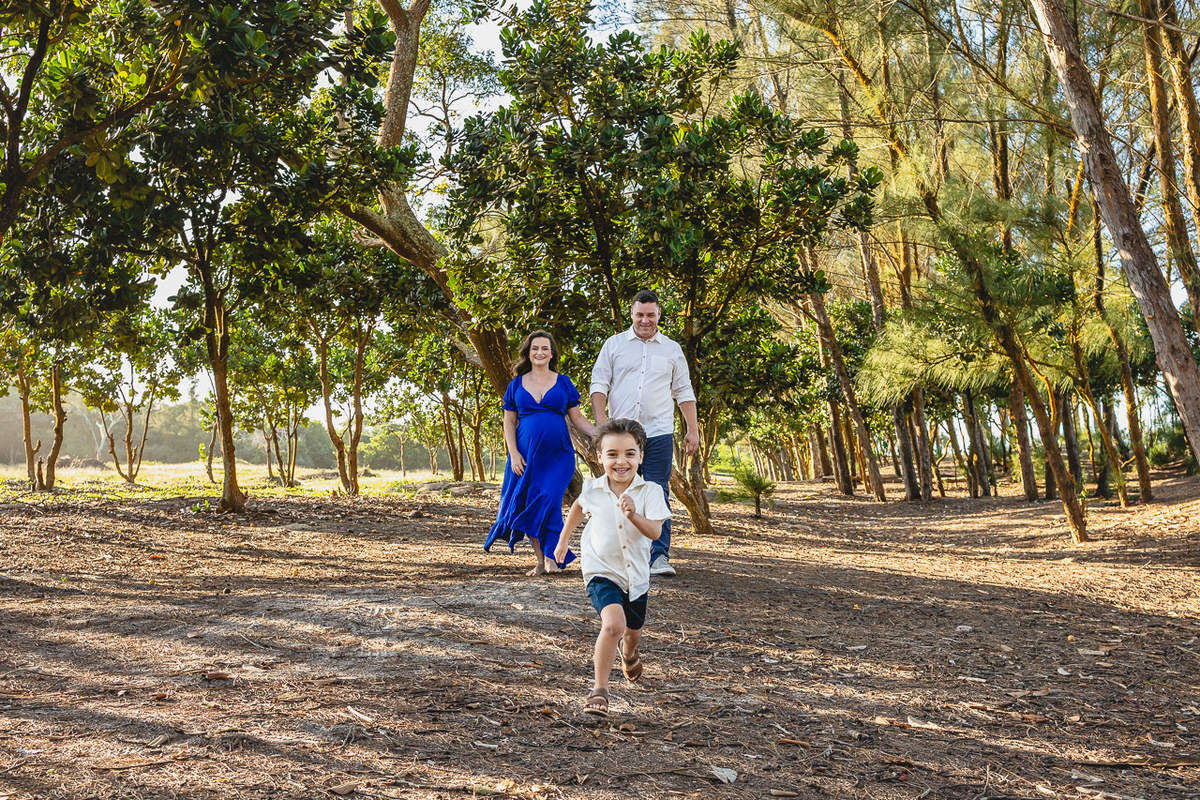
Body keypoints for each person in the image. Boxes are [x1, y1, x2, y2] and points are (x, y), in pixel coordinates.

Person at [554, 418, 670, 717]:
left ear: (641, 456)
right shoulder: (593, 487)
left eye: (630, 453)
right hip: (600, 569)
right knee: (613, 625)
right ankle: (600, 690)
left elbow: (656, 533)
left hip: (636, 577)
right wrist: (564, 541)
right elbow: (579, 506)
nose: (622, 461)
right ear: (599, 457)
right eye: (613, 454)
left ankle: (629, 655)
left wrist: (633, 515)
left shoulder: (651, 491)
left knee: (632, 633)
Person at [590, 290, 698, 578]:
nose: (645, 320)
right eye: (640, 314)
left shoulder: (672, 349)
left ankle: (659, 556)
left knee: (656, 489)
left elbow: (683, 391)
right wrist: (602, 426)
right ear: (632, 314)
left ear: (659, 315)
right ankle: (614, 553)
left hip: (659, 431)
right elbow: (599, 383)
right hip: (621, 431)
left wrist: (693, 429)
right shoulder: (614, 345)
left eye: (651, 315)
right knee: (617, 488)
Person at [486, 330, 597, 576]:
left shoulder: (563, 382)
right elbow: (508, 421)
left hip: (558, 456)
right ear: (528, 352)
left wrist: (598, 433)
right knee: (532, 504)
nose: (540, 352)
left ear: (551, 353)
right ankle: (541, 561)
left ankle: (551, 555)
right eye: (535, 348)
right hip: (525, 456)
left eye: (545, 348)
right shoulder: (516, 384)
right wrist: (513, 453)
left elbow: (577, 417)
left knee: (549, 500)